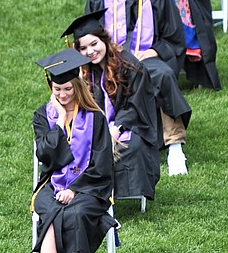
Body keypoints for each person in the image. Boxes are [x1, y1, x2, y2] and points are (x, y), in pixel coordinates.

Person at [84, 0, 193, 174]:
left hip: (146, 59)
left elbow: (174, 39)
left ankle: (175, 146)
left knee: (162, 75)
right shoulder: (100, 0)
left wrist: (153, 52)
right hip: (110, 62)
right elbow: (88, 37)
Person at [27, 50, 115, 253]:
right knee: (51, 213)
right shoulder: (43, 116)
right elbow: (45, 155)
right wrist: (61, 121)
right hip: (50, 185)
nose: (63, 95)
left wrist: (75, 190)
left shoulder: (95, 117)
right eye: (57, 90)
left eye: (67, 89)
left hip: (89, 188)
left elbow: (102, 163)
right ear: (50, 88)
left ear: (77, 86)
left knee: (76, 215)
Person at [65, 11, 161, 200]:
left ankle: (113, 195)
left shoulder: (128, 64)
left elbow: (138, 103)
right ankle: (84, 193)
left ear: (105, 40)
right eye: (83, 48)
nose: (90, 52)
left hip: (129, 124)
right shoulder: (82, 72)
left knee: (132, 147)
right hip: (96, 127)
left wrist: (117, 127)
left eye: (94, 44)